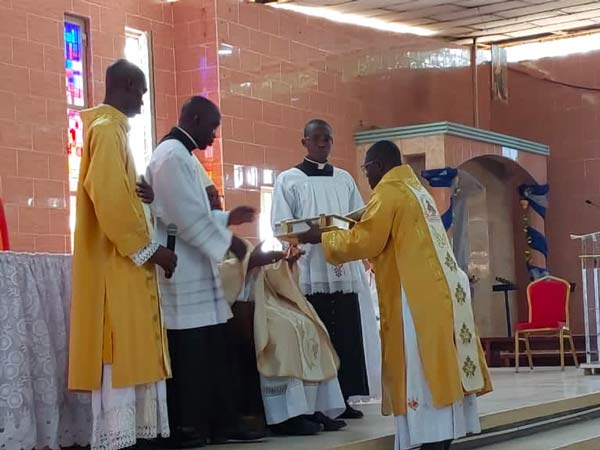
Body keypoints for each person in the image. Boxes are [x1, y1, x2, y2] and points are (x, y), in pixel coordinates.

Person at [298, 140, 492, 450]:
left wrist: (323, 236)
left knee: (421, 371)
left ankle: (430, 441)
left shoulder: (389, 191)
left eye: (367, 170)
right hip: (439, 293)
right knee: (440, 369)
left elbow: (366, 241)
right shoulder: (417, 191)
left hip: (415, 298)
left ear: (377, 165)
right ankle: (441, 440)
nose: (368, 178)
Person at [68, 59, 177, 450]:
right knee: (119, 357)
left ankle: (136, 438)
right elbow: (109, 199)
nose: (143, 102)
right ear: (127, 85)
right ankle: (121, 441)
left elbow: (119, 192)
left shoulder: (111, 130)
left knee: (132, 354)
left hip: (125, 266)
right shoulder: (106, 128)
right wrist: (152, 251)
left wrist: (143, 196)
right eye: (142, 92)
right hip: (117, 268)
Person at [146, 96, 255, 447]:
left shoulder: (184, 155)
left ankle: (222, 423)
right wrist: (230, 242)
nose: (214, 135)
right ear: (193, 119)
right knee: (190, 353)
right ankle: (190, 426)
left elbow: (197, 210)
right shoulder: (170, 157)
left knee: (213, 349)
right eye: (212, 126)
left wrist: (225, 220)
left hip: (197, 268)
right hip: (181, 271)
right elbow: (183, 216)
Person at [271, 119, 373, 419]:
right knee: (317, 335)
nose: (322, 143)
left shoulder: (344, 179)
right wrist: (310, 234)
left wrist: (344, 229)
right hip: (310, 267)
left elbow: (358, 218)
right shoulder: (288, 179)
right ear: (304, 141)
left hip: (342, 266)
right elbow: (280, 225)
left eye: (327, 138)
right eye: (316, 138)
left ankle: (345, 397)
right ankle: (317, 403)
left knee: (346, 332)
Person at [219, 241, 346, 435]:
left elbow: (268, 275)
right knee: (285, 330)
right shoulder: (204, 239)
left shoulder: (238, 240)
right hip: (246, 305)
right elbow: (216, 275)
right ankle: (285, 416)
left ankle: (311, 408)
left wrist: (286, 263)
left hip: (268, 301)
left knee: (308, 324)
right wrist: (250, 263)